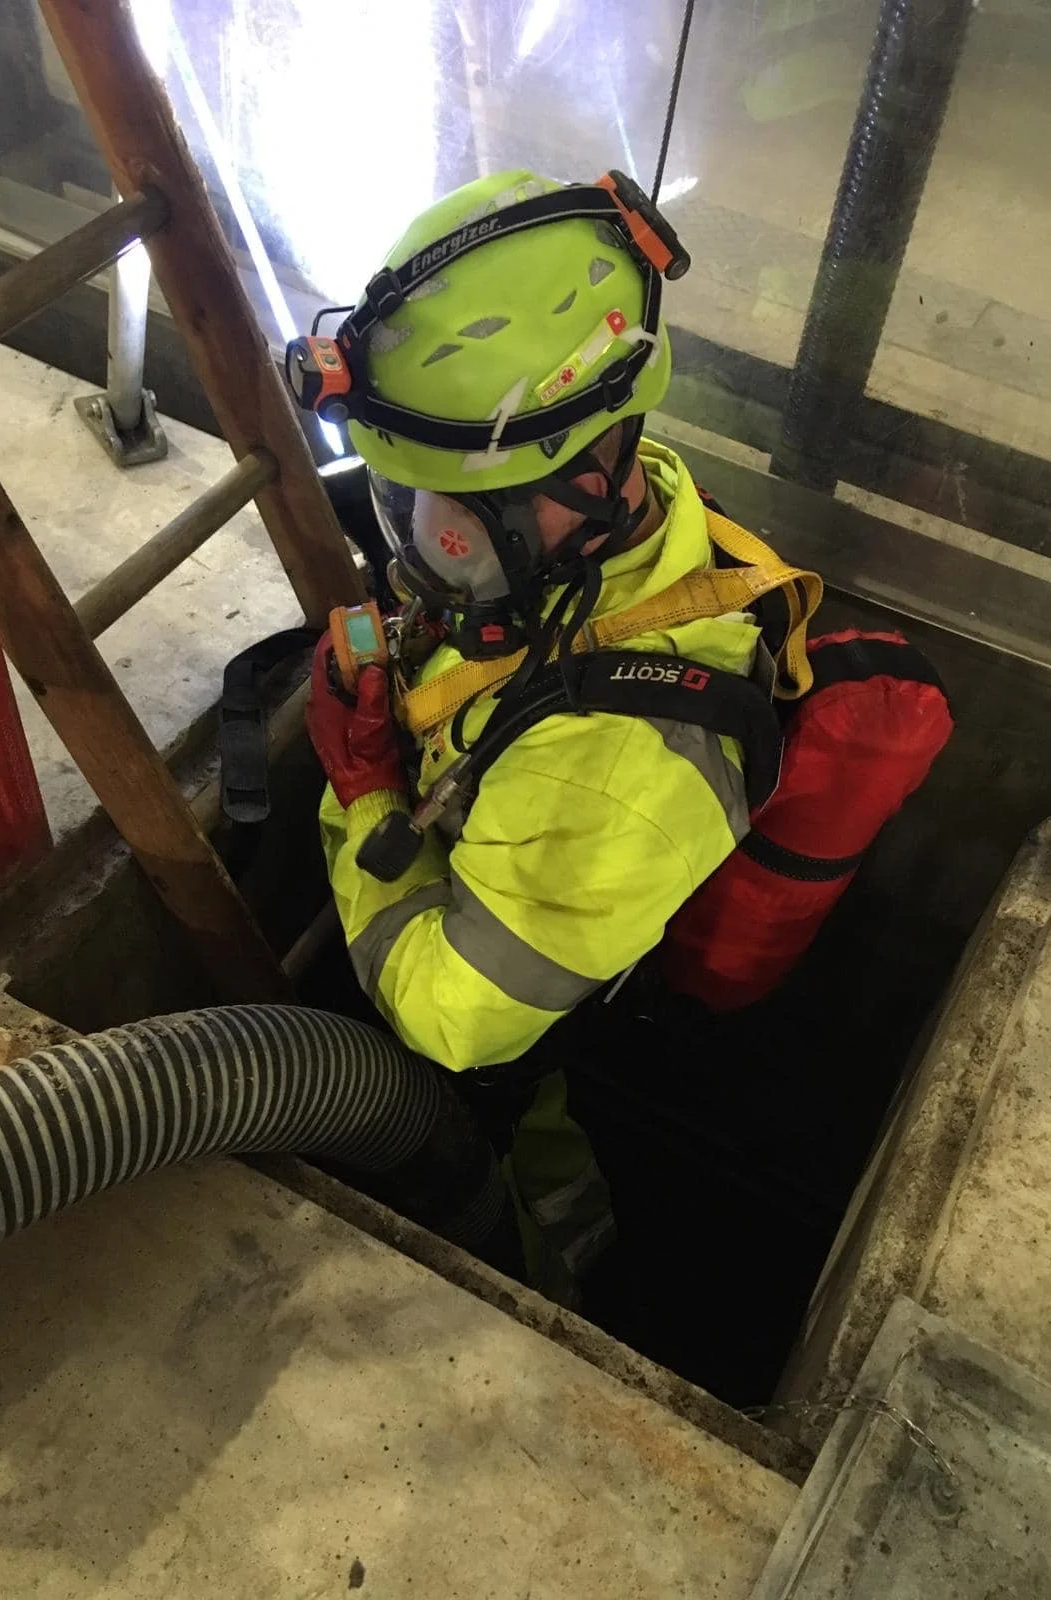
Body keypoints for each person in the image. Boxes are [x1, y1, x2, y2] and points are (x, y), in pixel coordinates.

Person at [304, 169, 774, 1287]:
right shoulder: (621, 518)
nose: (424, 541)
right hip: (518, 917)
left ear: (592, 468)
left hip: (502, 1075)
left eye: (461, 505)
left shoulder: (616, 773)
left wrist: (364, 786)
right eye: (407, 493)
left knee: (519, 1202)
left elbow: (455, 1024)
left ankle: (562, 1273)